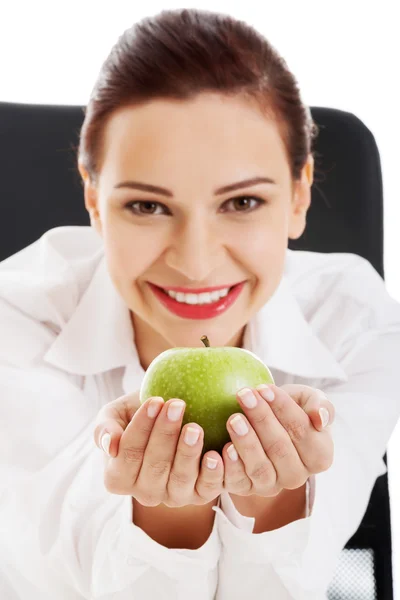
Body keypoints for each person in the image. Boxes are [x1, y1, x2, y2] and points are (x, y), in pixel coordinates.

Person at [1, 7, 400, 600]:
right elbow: (69, 578)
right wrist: (166, 519)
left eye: (240, 203)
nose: (195, 262)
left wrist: (274, 501)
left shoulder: (355, 323)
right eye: (147, 206)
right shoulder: (15, 317)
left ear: (297, 196)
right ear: (94, 201)